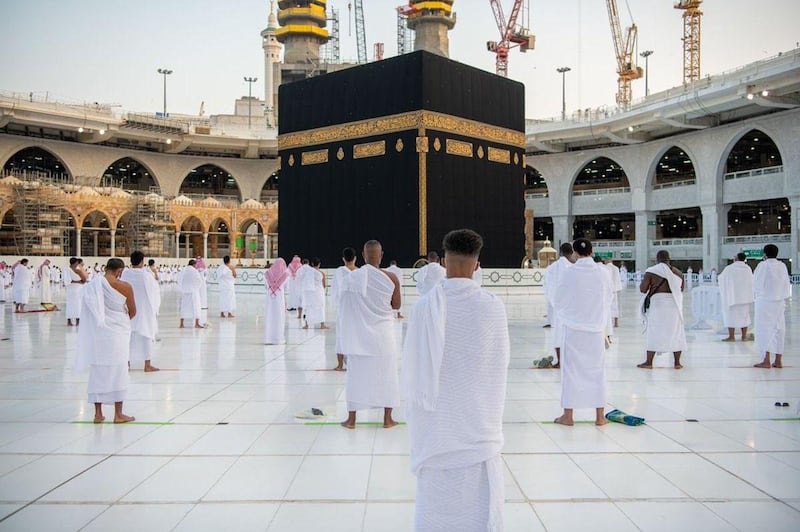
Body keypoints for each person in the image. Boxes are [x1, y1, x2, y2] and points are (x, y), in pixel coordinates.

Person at [403, 229, 509, 531]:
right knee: (478, 514)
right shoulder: (492, 306)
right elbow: (498, 366)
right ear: (477, 265)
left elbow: (411, 367)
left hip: (435, 432)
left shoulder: (424, 308)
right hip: (478, 428)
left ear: (443, 261)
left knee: (434, 511)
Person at [338, 240, 401, 429]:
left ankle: (351, 420)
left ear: (364, 256)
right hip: (383, 336)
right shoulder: (391, 278)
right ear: (381, 256)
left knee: (356, 378)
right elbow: (396, 306)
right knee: (387, 376)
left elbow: (344, 306)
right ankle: (387, 419)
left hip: (359, 337)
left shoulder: (352, 278)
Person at [553, 239, 612, 426]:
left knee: (571, 372)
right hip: (595, 329)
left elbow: (559, 299)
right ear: (592, 251)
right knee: (597, 371)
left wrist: (569, 316)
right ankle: (600, 416)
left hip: (574, 329)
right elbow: (608, 297)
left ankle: (568, 416)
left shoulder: (569, 272)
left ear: (575, 253)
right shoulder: (603, 272)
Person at [75, 258, 136, 423]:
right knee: (119, 370)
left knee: (98, 370)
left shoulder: (94, 284)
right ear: (119, 271)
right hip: (118, 334)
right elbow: (133, 311)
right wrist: (119, 319)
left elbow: (89, 307)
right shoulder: (125, 287)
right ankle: (118, 414)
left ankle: (98, 413)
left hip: (99, 333)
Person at [638, 250, 686, 369]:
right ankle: (677, 363)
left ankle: (649, 362)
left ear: (657, 259)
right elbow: (682, 288)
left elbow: (643, 289)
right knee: (675, 331)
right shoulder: (678, 273)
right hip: (674, 305)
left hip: (658, 304)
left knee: (654, 331)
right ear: (669, 258)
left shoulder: (651, 271)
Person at [120, 251, 160, 372]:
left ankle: (126, 364)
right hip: (144, 309)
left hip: (129, 308)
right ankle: (147, 365)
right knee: (147, 335)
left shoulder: (125, 274)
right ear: (142, 261)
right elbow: (154, 291)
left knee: (128, 336)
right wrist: (154, 307)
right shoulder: (146, 275)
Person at [752, 244, 791, 369]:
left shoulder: (763, 266)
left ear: (765, 254)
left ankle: (766, 360)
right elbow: (786, 283)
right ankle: (778, 360)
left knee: (764, 330)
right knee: (779, 329)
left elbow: (757, 283)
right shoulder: (782, 266)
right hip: (779, 302)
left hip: (765, 302)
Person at [543, 243, 575, 367]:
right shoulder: (572, 268)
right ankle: (570, 360)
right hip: (570, 307)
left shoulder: (552, 268)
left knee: (558, 334)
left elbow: (546, 285)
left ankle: (560, 361)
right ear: (571, 253)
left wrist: (553, 301)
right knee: (570, 334)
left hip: (557, 306)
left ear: (560, 252)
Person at [718, 253, 754, 342]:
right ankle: (744, 336)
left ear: (736, 258)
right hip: (744, 297)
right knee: (744, 317)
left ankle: (731, 336)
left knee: (731, 316)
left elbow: (721, 278)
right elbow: (751, 281)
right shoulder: (748, 269)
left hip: (732, 297)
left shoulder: (729, 268)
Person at [332, 248, 358, 370]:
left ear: (343, 259)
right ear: (355, 258)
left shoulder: (339, 272)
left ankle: (340, 364)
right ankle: (355, 362)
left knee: (341, 335)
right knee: (355, 335)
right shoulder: (360, 272)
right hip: (357, 310)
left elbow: (335, 291)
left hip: (343, 309)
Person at [264, 258, 289, 344]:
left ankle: (268, 338)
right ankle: (278, 339)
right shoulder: (285, 276)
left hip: (270, 300)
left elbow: (265, 287)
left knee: (270, 317)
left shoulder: (267, 274)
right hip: (279, 300)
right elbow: (286, 289)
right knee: (279, 317)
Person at [301, 257, 327, 330]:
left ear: (312, 264)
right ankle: (322, 325)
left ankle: (307, 325)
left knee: (308, 307)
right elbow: (324, 285)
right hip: (319, 292)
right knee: (320, 307)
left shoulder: (308, 273)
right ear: (319, 264)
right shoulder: (322, 273)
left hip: (310, 293)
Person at [179, 259, 205, 329]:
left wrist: (182, 288)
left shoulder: (183, 270)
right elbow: (199, 281)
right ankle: (197, 324)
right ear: (194, 265)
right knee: (196, 307)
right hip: (193, 292)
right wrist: (196, 288)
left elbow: (179, 280)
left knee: (184, 307)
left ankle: (181, 324)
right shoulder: (195, 271)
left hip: (185, 292)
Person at [66, 258, 88, 326]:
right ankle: (73, 321)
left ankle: (73, 321)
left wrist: (74, 281)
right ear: (74, 263)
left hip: (74, 289)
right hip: (74, 288)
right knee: (74, 305)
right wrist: (78, 281)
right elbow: (84, 279)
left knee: (74, 305)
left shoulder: (73, 269)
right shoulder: (72, 270)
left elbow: (84, 279)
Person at [604, 259, 623, 327]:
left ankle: (607, 323)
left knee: (607, 306)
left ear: (607, 261)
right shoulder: (616, 268)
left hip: (607, 289)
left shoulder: (604, 267)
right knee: (615, 306)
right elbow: (618, 279)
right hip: (615, 289)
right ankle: (616, 322)